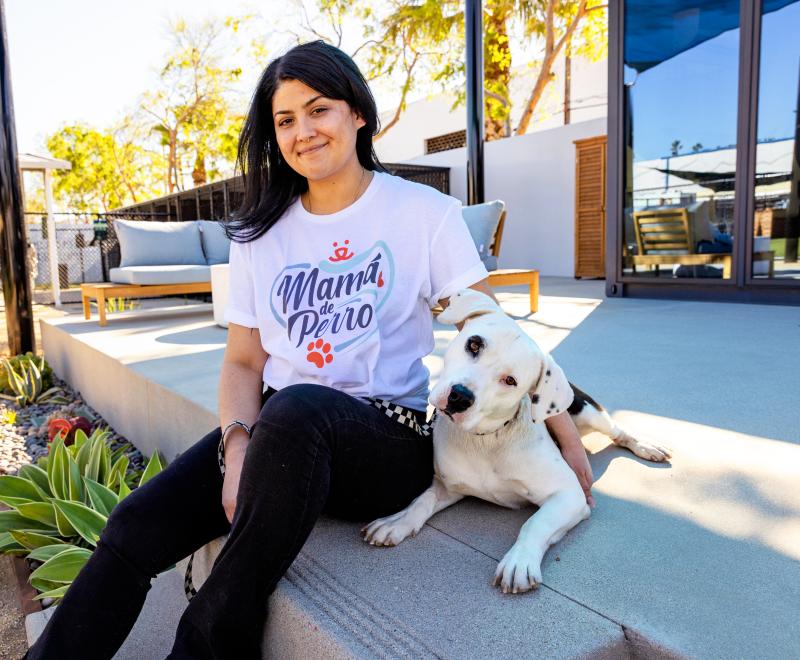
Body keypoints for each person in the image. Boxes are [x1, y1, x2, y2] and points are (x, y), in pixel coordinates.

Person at [25, 40, 593, 660]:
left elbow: (499, 336)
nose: (303, 132)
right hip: (279, 429)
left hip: (386, 438)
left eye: (318, 109)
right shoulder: (259, 234)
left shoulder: (423, 213)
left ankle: (207, 647)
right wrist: (237, 448)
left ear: (358, 114)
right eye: (285, 120)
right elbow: (243, 362)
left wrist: (561, 434)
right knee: (134, 525)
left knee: (296, 406)